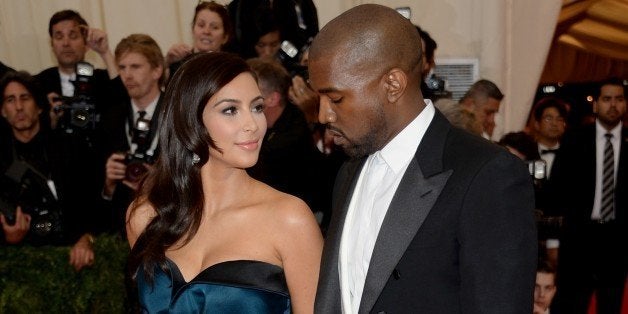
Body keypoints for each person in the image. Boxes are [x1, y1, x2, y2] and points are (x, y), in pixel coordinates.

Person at [308, 4, 537, 313]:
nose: (323, 114)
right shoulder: (348, 171)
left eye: (336, 98)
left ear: (392, 85)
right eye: (319, 98)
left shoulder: (488, 174)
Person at [126, 52, 323, 313]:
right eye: (230, 110)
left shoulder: (289, 219)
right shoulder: (145, 217)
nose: (252, 124)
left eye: (257, 107)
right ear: (190, 120)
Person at [0, 71, 99, 271]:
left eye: (25, 98)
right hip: (24, 266)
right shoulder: (2, 160)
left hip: (74, 256)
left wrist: (86, 237)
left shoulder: (69, 147)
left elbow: (93, 201)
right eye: (10, 100)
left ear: (38, 107)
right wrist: (8, 237)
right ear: (3, 110)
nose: (18, 107)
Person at [552, 78, 627, 314]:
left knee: (611, 303)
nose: (613, 105)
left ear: (625, 104)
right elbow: (558, 190)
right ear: (596, 105)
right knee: (571, 303)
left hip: (618, 238)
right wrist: (554, 240)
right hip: (578, 237)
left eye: (619, 99)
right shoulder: (574, 139)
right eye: (607, 99)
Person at [98, 34, 165, 235]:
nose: (127, 75)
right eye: (122, 67)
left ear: (157, 70)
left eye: (135, 67)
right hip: (122, 233)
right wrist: (108, 185)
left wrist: (161, 181)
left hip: (169, 227)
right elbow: (101, 199)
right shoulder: (110, 118)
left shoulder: (177, 115)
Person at [35, 10, 118, 131]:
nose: (66, 43)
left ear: (86, 44)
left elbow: (122, 100)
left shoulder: (102, 80)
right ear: (52, 45)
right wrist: (51, 121)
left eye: (73, 36)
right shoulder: (38, 84)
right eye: (59, 36)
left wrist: (105, 52)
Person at [165, 1, 233, 80]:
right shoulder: (178, 65)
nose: (206, 31)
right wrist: (167, 63)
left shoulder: (230, 70)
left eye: (214, 27)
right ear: (193, 29)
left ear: (225, 37)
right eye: (201, 25)